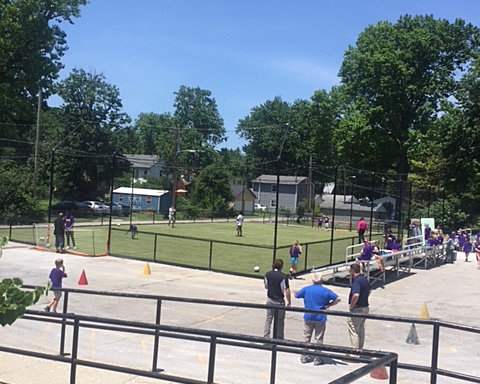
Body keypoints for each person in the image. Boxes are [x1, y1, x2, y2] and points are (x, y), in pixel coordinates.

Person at [294, 273, 341, 365]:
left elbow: (297, 295)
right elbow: (338, 299)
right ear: (321, 281)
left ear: (313, 281)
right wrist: (329, 305)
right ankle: (317, 358)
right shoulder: (325, 291)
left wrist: (294, 292)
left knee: (306, 337)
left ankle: (304, 356)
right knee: (318, 338)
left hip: (308, 316)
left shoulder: (307, 289)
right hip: (320, 316)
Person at [264, 259, 291, 340]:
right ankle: (279, 338)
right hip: (279, 301)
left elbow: (266, 286)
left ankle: (266, 338)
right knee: (280, 321)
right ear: (281, 266)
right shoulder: (283, 276)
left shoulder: (267, 274)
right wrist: (289, 302)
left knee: (268, 319)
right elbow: (287, 291)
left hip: (270, 299)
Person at [347, 263, 371, 350]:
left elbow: (356, 295)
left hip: (358, 309)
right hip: (365, 307)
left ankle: (355, 351)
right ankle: (360, 349)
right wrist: (364, 298)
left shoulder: (357, 281)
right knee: (361, 328)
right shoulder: (364, 279)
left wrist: (352, 306)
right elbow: (369, 290)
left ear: (353, 271)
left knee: (353, 329)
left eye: (350, 271)